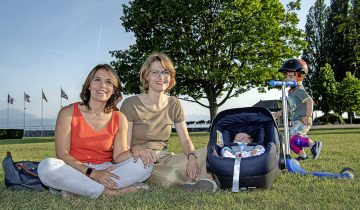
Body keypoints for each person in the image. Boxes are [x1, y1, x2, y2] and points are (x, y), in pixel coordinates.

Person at [37, 64, 152, 198]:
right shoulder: (67, 113)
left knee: (145, 165)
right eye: (97, 80)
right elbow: (62, 154)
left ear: (114, 90)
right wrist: (93, 174)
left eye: (108, 82)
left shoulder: (119, 118)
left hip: (106, 169)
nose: (102, 85)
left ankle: (78, 189)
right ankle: (111, 193)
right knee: (47, 167)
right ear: (89, 85)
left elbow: (118, 157)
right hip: (76, 169)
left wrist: (135, 149)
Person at [120, 52, 217, 192]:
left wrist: (191, 158)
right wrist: (140, 150)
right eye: (155, 72)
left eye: (165, 72)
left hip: (165, 157)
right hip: (142, 161)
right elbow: (125, 146)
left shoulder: (174, 103)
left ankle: (202, 180)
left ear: (170, 76)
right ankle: (197, 178)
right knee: (170, 177)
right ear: (146, 76)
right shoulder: (130, 104)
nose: (161, 77)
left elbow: (185, 140)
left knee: (210, 151)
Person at [273, 58, 322, 161]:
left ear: (300, 76)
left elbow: (310, 101)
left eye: (291, 76)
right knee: (290, 142)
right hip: (296, 121)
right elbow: (290, 107)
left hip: (302, 120)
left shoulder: (299, 90)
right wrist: (279, 113)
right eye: (286, 76)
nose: (287, 79)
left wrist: (308, 116)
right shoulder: (291, 92)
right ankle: (302, 155)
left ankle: (313, 144)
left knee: (293, 137)